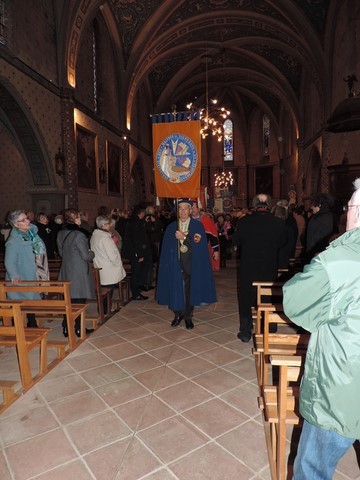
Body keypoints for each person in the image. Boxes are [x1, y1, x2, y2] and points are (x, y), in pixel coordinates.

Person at [283, 178, 360, 479]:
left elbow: (295, 300)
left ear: (356, 214)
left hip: (342, 385)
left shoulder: (339, 260)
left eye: (349, 206)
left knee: (312, 469)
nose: (346, 213)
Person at [232, 193, 287, 342]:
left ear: (254, 205)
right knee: (269, 296)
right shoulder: (279, 223)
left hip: (248, 267)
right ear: (269, 205)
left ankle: (245, 332)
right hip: (268, 267)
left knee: (246, 298)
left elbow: (236, 240)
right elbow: (283, 243)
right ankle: (270, 328)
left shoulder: (244, 222)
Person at [157, 198, 217, 329]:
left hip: (191, 264)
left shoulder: (197, 226)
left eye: (186, 208)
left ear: (190, 210)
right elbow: (166, 249)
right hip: (175, 265)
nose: (183, 211)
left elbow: (199, 244)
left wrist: (184, 238)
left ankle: (188, 316)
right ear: (177, 211)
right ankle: (178, 314)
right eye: (180, 208)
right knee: (175, 290)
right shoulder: (171, 227)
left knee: (189, 291)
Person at [4, 210, 49, 327]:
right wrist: (14, 275)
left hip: (34, 272)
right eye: (23, 220)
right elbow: (9, 261)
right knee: (22, 302)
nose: (27, 221)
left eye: (27, 218)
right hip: (22, 274)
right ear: (16, 224)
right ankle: (18, 328)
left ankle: (32, 324)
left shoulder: (32, 234)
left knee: (31, 301)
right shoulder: (14, 241)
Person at [57, 208, 95, 337]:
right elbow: (86, 256)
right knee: (79, 301)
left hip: (66, 270)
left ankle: (66, 327)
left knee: (69, 301)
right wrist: (92, 253)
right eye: (78, 217)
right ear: (75, 218)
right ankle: (79, 328)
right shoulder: (79, 235)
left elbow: (61, 253)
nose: (80, 219)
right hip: (78, 271)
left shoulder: (60, 233)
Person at [90, 215, 126, 314]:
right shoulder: (105, 238)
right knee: (108, 291)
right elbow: (112, 254)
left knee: (104, 289)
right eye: (108, 224)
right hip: (108, 268)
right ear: (104, 225)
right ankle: (105, 310)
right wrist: (118, 262)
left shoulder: (95, 236)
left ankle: (103, 309)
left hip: (101, 265)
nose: (109, 226)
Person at [121, 205, 152, 300]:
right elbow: (136, 240)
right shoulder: (135, 222)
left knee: (142, 269)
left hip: (138, 251)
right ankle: (136, 293)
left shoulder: (136, 221)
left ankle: (138, 287)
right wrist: (139, 254)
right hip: (136, 252)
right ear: (141, 213)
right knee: (136, 272)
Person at [305, 192, 335, 261]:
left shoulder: (315, 219)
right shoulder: (333, 217)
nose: (311, 207)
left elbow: (311, 241)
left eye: (313, 205)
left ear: (319, 205)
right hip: (330, 254)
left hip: (316, 255)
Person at [191, 200, 220, 271]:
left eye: (193, 208)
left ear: (199, 208)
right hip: (190, 250)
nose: (192, 210)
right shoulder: (186, 220)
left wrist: (216, 251)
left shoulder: (206, 220)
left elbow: (212, 236)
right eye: (190, 208)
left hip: (203, 249)